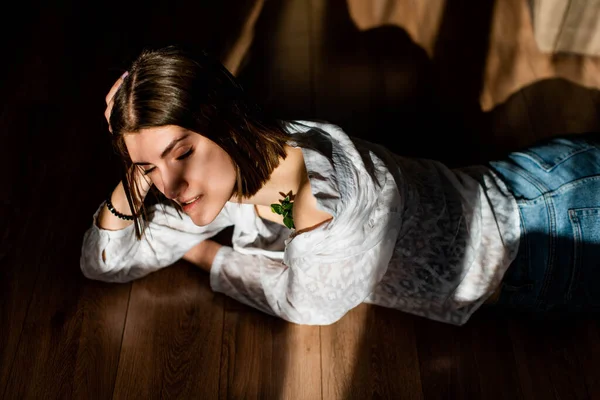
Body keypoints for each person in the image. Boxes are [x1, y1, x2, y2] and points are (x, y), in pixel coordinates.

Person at [80, 45, 600, 326]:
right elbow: (105, 265)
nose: (166, 184)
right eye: (149, 170)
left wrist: (195, 255)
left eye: (180, 152)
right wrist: (134, 172)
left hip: (555, 228)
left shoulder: (324, 208)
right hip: (530, 243)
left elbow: (303, 307)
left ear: (223, 122)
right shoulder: (220, 177)